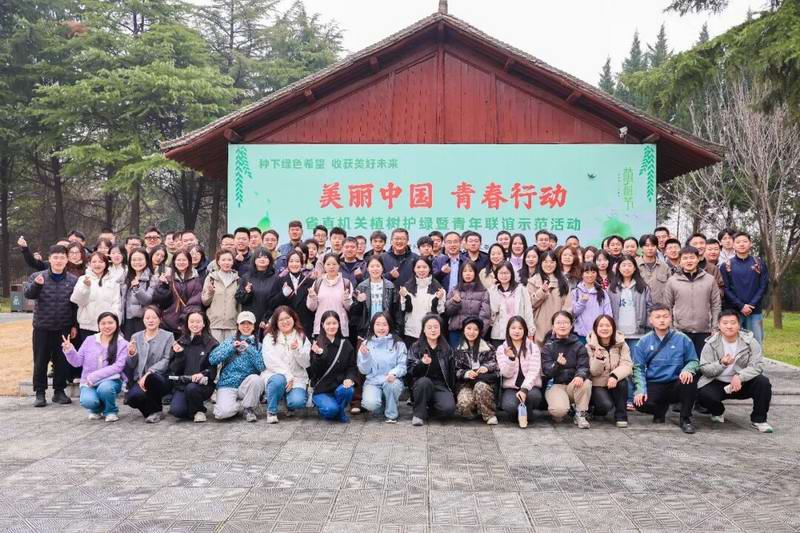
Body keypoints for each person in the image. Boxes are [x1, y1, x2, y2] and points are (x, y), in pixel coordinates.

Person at [697, 309, 773, 433]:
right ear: (719, 325)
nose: (729, 326)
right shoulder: (711, 343)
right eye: (725, 323)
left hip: (742, 383)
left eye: (733, 323)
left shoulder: (750, 342)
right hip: (718, 382)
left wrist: (740, 376)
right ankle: (718, 412)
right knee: (703, 394)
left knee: (763, 383)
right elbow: (704, 368)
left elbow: (757, 365)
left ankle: (759, 420)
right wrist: (721, 363)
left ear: (739, 325)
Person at [25, 245, 79, 407]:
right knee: (40, 361)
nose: (58, 261)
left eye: (62, 257)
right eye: (55, 257)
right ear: (50, 259)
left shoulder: (73, 280)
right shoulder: (37, 276)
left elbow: (75, 306)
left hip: (63, 327)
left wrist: (74, 325)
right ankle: (40, 393)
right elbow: (29, 294)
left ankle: (59, 392)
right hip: (42, 327)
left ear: (67, 260)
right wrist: (37, 285)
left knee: (61, 361)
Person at [632, 304, 699, 434]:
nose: (662, 320)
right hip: (655, 383)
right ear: (651, 320)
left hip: (676, 382)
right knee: (639, 403)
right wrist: (640, 390)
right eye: (657, 317)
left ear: (671, 318)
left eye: (665, 316)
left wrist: (688, 369)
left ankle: (685, 419)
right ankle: (660, 410)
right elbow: (638, 368)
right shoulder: (643, 342)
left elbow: (694, 361)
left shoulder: (682, 339)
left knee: (691, 379)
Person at [62, 312, 127, 421]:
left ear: (117, 324)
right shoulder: (90, 340)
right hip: (88, 383)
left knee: (105, 389)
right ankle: (96, 409)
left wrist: (94, 376)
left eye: (110, 323)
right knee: (87, 401)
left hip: (111, 380)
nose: (107, 326)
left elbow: (118, 367)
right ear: (98, 325)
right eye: (103, 323)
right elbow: (77, 362)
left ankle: (110, 411)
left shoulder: (123, 343)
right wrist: (69, 350)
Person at [70, 251, 123, 378]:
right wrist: (85, 287)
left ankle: (106, 381)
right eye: (94, 261)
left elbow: (117, 303)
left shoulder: (113, 281)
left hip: (107, 326)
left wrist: (114, 322)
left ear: (106, 263)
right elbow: (76, 300)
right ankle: (88, 380)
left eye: (100, 261)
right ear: (89, 264)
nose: (97, 264)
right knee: (90, 356)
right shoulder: (83, 279)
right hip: (88, 325)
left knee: (107, 356)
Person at [663, 246, 721, 358]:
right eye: (685, 258)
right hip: (680, 331)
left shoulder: (709, 279)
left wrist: (715, 328)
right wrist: (671, 329)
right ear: (680, 261)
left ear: (698, 259)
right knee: (682, 362)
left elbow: (716, 305)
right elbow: (667, 306)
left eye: (692, 257)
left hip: (705, 330)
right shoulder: (672, 281)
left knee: (703, 362)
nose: (689, 261)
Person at [208, 311, 266, 422]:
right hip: (227, 384)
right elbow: (213, 359)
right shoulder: (230, 340)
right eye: (243, 323)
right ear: (238, 326)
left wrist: (249, 349)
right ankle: (241, 405)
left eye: (249, 323)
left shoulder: (258, 345)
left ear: (254, 326)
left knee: (257, 380)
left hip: (246, 385)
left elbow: (261, 367)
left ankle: (249, 408)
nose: (246, 326)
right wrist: (231, 348)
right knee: (221, 414)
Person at [541, 311, 592, 428]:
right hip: (555, 385)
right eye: (558, 323)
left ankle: (580, 414)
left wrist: (580, 375)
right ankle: (567, 407)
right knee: (558, 412)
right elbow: (547, 371)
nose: (562, 325)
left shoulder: (579, 345)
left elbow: (584, 366)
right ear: (553, 326)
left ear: (571, 325)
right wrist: (557, 364)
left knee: (586, 382)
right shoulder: (548, 346)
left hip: (573, 385)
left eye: (565, 322)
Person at [261, 306, 312, 423]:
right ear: (276, 322)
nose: (285, 322)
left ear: (293, 318)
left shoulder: (302, 337)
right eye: (281, 319)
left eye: (288, 318)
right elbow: (270, 361)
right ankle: (271, 411)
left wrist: (297, 350)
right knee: (278, 381)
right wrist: (287, 375)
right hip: (276, 375)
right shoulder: (269, 337)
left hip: (297, 378)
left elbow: (306, 363)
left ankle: (288, 402)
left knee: (297, 402)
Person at [167, 310, 219, 422]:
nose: (195, 324)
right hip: (183, 384)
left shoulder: (212, 343)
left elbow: (213, 369)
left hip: (202, 385)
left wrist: (202, 374)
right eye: (192, 321)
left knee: (192, 388)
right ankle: (191, 408)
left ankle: (199, 410)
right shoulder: (180, 342)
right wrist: (179, 355)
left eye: (198, 322)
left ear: (204, 323)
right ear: (187, 323)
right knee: (177, 411)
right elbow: (174, 369)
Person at [125, 306, 173, 423]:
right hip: (140, 379)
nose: (150, 320)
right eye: (147, 318)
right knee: (132, 399)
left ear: (160, 319)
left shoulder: (168, 336)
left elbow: (166, 360)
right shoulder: (136, 337)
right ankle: (154, 411)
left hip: (160, 378)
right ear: (143, 320)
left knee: (151, 378)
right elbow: (131, 365)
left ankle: (155, 411)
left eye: (154, 317)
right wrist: (132, 353)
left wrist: (149, 373)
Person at [308, 311, 358, 422]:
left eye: (334, 323)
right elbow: (314, 372)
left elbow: (352, 366)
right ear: (322, 325)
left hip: (338, 387)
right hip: (322, 390)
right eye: (328, 323)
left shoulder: (345, 344)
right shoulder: (317, 344)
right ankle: (333, 410)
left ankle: (339, 411)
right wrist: (319, 355)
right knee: (330, 410)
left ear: (339, 324)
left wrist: (349, 378)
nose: (331, 326)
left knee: (348, 390)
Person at [357, 312, 407, 423]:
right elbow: (363, 370)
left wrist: (393, 373)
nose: (381, 328)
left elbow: (402, 366)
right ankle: (382, 404)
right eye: (378, 324)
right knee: (371, 404)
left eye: (385, 324)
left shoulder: (398, 343)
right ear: (372, 326)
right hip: (373, 382)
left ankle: (391, 413)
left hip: (391, 380)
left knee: (392, 385)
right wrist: (365, 356)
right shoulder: (366, 343)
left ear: (389, 325)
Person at [407, 314, 456, 426]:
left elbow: (451, 373)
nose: (433, 330)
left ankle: (429, 408)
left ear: (440, 329)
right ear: (424, 330)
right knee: (425, 382)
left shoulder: (447, 348)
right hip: (421, 384)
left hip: (440, 385)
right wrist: (422, 364)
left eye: (436, 327)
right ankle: (418, 414)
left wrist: (452, 392)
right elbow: (410, 371)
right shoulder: (416, 347)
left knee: (448, 409)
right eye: (429, 327)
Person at [721, 232, 769, 344]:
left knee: (756, 342)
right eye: (738, 242)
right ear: (733, 245)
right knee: (734, 343)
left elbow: (763, 286)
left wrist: (751, 304)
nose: (741, 244)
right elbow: (726, 289)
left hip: (755, 310)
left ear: (750, 243)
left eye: (745, 241)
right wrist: (741, 306)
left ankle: (756, 357)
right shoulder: (726, 265)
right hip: (734, 311)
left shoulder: (759, 263)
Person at [586, 315, 632, 427]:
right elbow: (593, 372)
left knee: (622, 382)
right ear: (595, 328)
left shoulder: (622, 344)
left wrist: (614, 376)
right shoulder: (589, 346)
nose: (604, 328)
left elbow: (627, 365)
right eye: (601, 326)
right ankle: (594, 409)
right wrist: (598, 359)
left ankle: (621, 416)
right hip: (598, 385)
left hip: (614, 382)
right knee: (605, 405)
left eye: (608, 325)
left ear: (613, 327)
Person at [496, 316, 542, 427]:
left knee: (534, 396)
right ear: (508, 330)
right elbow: (505, 374)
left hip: (530, 387)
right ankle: (520, 414)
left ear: (525, 330)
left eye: (520, 328)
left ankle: (525, 414)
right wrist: (511, 359)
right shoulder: (502, 349)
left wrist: (524, 389)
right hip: (511, 388)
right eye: (513, 328)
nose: (516, 331)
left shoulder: (533, 347)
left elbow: (533, 371)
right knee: (509, 405)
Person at [453, 317, 499, 425]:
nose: (471, 332)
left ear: (479, 331)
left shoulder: (488, 347)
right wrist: (465, 373)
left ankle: (489, 415)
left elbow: (496, 364)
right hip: (466, 384)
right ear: (464, 330)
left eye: (475, 329)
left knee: (480, 386)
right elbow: (454, 370)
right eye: (468, 328)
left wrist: (486, 367)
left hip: (485, 383)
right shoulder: (458, 349)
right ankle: (475, 409)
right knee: (464, 404)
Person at [152, 250, 203, 334]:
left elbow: (195, 302)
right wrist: (162, 285)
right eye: (178, 260)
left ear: (189, 262)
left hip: (188, 323)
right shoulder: (167, 277)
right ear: (174, 262)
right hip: (167, 322)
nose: (181, 262)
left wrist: (184, 318)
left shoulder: (196, 280)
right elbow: (160, 301)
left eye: (184, 260)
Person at [398, 257, 446, 345]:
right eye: (418, 267)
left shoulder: (439, 289)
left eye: (425, 267)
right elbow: (404, 310)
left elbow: (439, 312)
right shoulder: (406, 288)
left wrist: (438, 299)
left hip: (431, 334)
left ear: (430, 268)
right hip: (411, 333)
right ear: (414, 269)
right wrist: (405, 296)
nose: (421, 270)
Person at [528, 251, 572, 346]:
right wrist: (542, 291)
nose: (549, 265)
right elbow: (529, 305)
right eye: (545, 262)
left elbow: (567, 306)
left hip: (559, 327)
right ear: (540, 263)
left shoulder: (563, 282)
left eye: (552, 262)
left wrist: (562, 324)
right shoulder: (532, 281)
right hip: (538, 327)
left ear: (556, 263)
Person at [445, 261, 491, 348]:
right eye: (465, 271)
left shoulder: (483, 291)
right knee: (456, 355)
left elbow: (485, 316)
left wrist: (479, 333)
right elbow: (447, 312)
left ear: (475, 273)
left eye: (470, 271)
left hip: (473, 333)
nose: (467, 274)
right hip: (456, 332)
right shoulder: (455, 290)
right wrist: (454, 302)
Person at [307, 253, 353, 338]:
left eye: (334, 264)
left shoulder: (346, 283)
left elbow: (350, 308)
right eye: (328, 264)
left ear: (339, 266)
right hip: (321, 327)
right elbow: (311, 308)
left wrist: (346, 299)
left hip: (340, 327)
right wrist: (312, 297)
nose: (331, 267)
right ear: (324, 266)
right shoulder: (318, 283)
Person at [488, 262, 535, 347]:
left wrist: (530, 332)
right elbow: (494, 309)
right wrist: (493, 289)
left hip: (518, 332)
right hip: (499, 334)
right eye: (501, 273)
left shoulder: (521, 289)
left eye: (506, 273)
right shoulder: (493, 290)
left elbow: (528, 311)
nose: (504, 276)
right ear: (496, 274)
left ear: (511, 274)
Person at [235, 247, 281, 331]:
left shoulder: (276, 278)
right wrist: (247, 292)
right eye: (259, 257)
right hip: (250, 320)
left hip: (269, 321)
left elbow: (278, 302)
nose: (262, 259)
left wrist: (267, 319)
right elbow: (239, 298)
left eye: (265, 257)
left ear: (270, 260)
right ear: (254, 260)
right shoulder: (246, 277)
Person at [352, 256, 397, 339]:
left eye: (378, 266)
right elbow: (354, 312)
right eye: (372, 266)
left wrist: (396, 331)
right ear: (367, 269)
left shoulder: (390, 286)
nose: (375, 269)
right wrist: (359, 302)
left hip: (386, 328)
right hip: (366, 329)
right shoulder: (361, 287)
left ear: (382, 268)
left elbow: (396, 310)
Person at [273, 250, 315, 338]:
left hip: (305, 325)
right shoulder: (279, 281)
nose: (294, 264)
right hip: (285, 325)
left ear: (302, 263)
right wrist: (283, 294)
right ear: (287, 263)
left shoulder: (310, 282)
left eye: (297, 261)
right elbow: (271, 303)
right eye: (291, 261)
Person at [202, 250, 241, 342]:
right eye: (223, 260)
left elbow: (239, 304)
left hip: (232, 325)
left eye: (229, 260)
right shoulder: (211, 278)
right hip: (214, 324)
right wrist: (210, 292)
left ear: (233, 262)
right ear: (218, 262)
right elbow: (204, 302)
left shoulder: (237, 279)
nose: (226, 263)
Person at [572, 262, 612, 344]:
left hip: (599, 334)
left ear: (597, 274)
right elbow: (574, 313)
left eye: (593, 272)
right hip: (581, 335)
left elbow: (608, 314)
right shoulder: (575, 292)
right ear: (582, 274)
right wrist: (582, 302)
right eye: (587, 272)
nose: (590, 275)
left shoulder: (602, 292)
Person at [120, 248, 155, 339]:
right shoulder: (125, 277)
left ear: (146, 260)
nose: (137, 262)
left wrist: (137, 288)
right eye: (134, 260)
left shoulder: (152, 278)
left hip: (143, 319)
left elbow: (147, 300)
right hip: (126, 319)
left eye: (140, 259)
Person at [637, 234, 671, 305]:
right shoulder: (635, 265)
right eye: (647, 245)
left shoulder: (664, 267)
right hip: (640, 307)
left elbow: (670, 288)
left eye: (653, 245)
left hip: (660, 307)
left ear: (656, 247)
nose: (650, 248)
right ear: (641, 247)